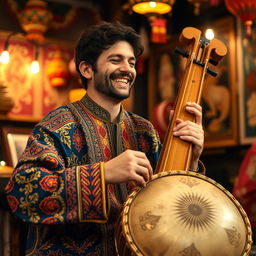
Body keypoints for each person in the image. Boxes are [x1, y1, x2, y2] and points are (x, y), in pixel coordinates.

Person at [5, 22, 204, 255]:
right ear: (87, 69)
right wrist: (103, 173)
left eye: (131, 62)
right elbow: (22, 192)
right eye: (115, 60)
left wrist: (192, 158)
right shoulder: (58, 124)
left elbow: (170, 200)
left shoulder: (144, 130)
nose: (127, 69)